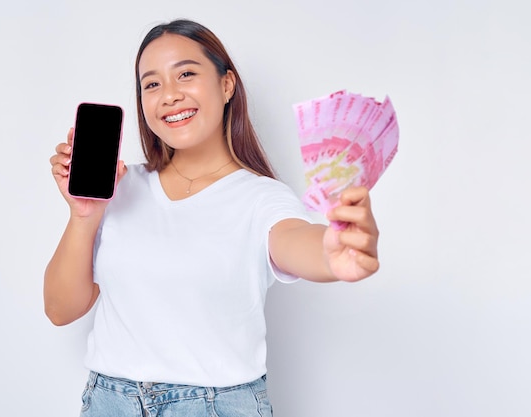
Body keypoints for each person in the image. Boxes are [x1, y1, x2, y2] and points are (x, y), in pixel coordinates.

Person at [45, 18, 379, 417]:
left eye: (185, 74)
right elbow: (60, 310)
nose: (169, 95)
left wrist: (333, 250)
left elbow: (295, 240)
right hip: (108, 403)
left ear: (226, 85)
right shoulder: (119, 187)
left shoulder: (261, 197)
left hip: (215, 407)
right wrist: (83, 216)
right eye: (151, 84)